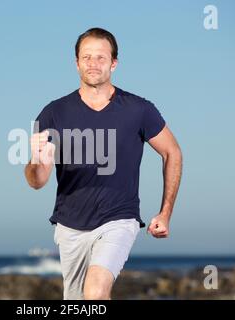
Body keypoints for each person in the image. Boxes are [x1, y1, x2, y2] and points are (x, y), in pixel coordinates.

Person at [24, 27, 183, 300]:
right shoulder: (54, 113)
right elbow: (36, 182)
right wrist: (38, 162)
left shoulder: (138, 109)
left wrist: (165, 212)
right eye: (86, 57)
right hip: (70, 225)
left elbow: (173, 153)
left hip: (118, 218)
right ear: (76, 63)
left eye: (100, 57)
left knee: (96, 293)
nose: (93, 64)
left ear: (114, 63)